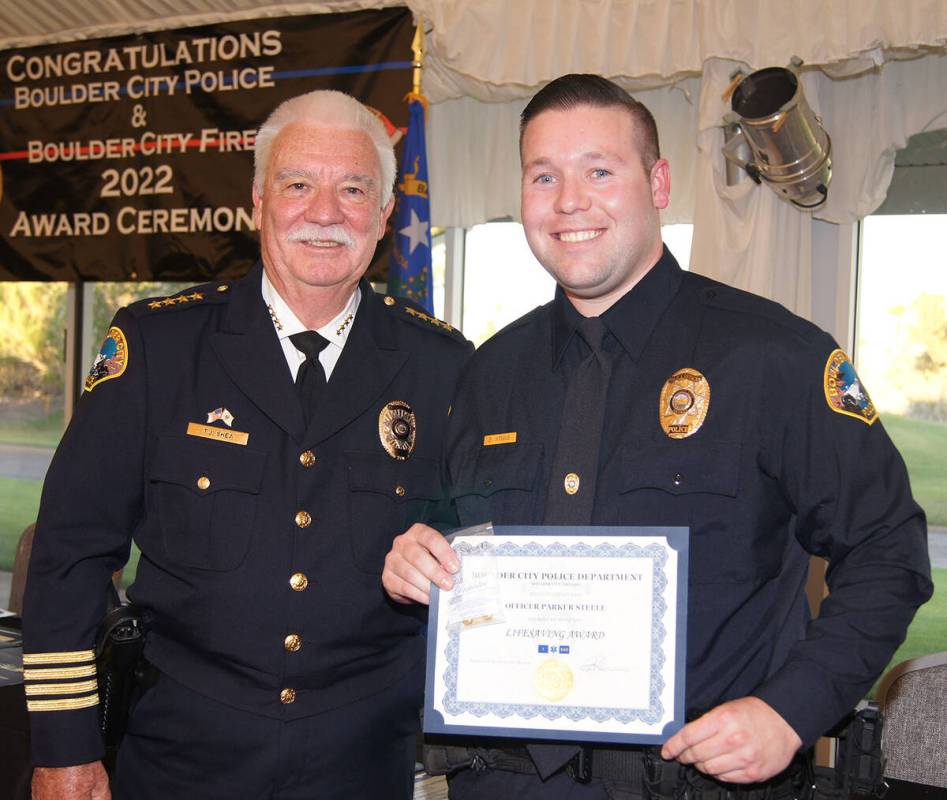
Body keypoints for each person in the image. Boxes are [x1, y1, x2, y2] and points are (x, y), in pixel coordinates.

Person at [382, 74, 933, 799]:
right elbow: (461, 537)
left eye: (599, 171)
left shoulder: (772, 356)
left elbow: (886, 550)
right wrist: (417, 558)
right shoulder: (490, 372)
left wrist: (790, 710)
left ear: (658, 181)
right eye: (543, 175)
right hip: (504, 782)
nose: (568, 200)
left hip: (694, 783)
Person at [24, 89, 471, 800]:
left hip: (363, 768)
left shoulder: (444, 368)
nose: (325, 212)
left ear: (384, 216)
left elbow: (475, 554)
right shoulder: (157, 347)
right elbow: (68, 554)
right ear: (258, 200)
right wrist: (65, 748)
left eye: (353, 189)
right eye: (298, 184)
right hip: (179, 763)